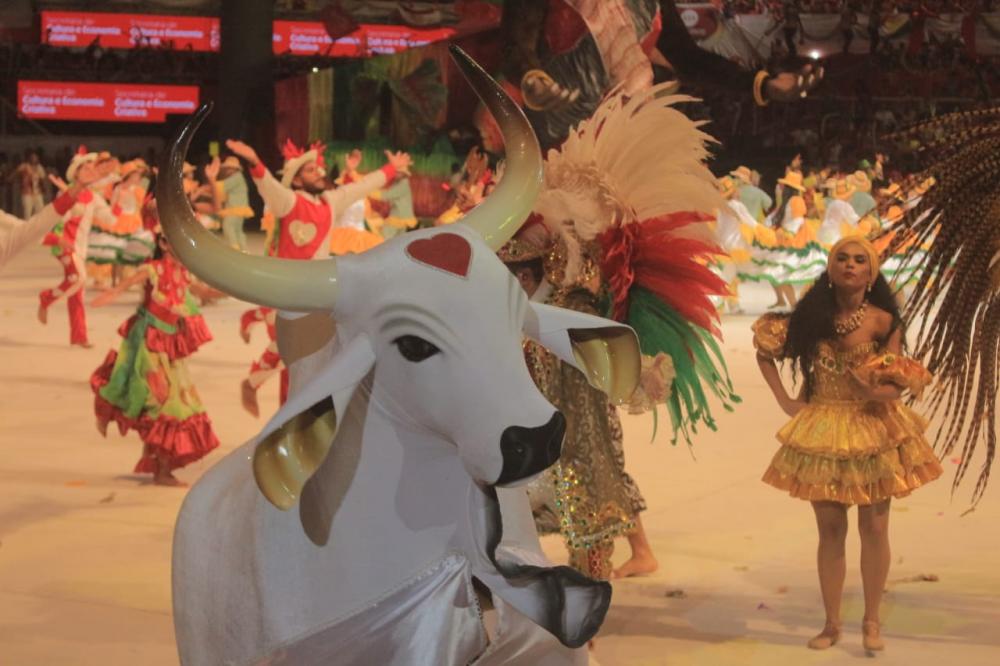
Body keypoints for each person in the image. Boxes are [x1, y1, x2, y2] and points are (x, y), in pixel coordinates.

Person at [753, 236, 942, 652]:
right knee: (831, 528)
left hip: (874, 429)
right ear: (831, 267)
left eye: (860, 260)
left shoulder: (882, 321)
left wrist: (871, 393)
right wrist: (786, 400)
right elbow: (765, 351)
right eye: (843, 258)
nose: (851, 265)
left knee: (874, 527)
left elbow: (897, 388)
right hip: (823, 427)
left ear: (872, 273)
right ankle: (832, 623)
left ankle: (872, 621)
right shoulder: (809, 316)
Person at [225, 137, 411, 416]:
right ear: (297, 180)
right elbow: (268, 185)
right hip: (288, 296)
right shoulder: (288, 201)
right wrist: (254, 161)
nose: (320, 173)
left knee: (306, 358)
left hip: (318, 296)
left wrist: (390, 169)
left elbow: (361, 187)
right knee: (291, 353)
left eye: (318, 169)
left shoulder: (331, 202)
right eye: (311, 171)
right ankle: (276, 405)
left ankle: (277, 402)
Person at [90, 215, 220, 486]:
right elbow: (124, 285)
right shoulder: (154, 269)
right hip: (148, 345)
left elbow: (205, 293)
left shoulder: (184, 273)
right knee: (160, 405)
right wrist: (111, 294)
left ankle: (160, 467)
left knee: (174, 407)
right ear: (163, 242)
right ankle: (160, 469)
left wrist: (235, 287)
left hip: (170, 349)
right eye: (175, 242)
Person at [37, 147, 115, 347]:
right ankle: (46, 298)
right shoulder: (68, 193)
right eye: (85, 169)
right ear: (77, 172)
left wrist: (119, 198)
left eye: (92, 169)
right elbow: (56, 220)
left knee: (77, 291)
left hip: (80, 247)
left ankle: (79, 337)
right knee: (79, 278)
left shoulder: (93, 197)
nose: (90, 171)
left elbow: (109, 218)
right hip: (65, 245)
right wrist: (57, 240)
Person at [207, 155, 254, 252]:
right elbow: (223, 195)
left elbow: (220, 188)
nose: (227, 171)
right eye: (226, 168)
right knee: (237, 230)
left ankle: (234, 248)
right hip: (238, 209)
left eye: (229, 168)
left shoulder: (236, 178)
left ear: (234, 169)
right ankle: (243, 249)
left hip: (235, 209)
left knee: (228, 225)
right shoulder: (238, 178)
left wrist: (210, 183)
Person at [15, 151, 46, 218]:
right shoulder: (24, 166)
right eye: (32, 158)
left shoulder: (39, 167)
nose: (34, 159)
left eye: (35, 158)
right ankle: (27, 227)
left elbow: (42, 178)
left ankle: (38, 227)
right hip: (27, 193)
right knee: (27, 212)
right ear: (29, 158)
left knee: (40, 210)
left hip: (37, 192)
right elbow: (16, 173)